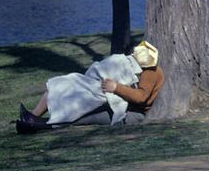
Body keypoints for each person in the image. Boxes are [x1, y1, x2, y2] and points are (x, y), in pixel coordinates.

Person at [16, 40, 164, 134]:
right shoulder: (138, 68)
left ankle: (40, 125)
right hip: (122, 104)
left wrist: (116, 87)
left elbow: (141, 97)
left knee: (84, 115)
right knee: (66, 86)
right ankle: (33, 117)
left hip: (132, 113)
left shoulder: (151, 72)